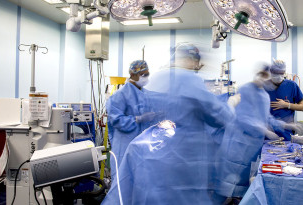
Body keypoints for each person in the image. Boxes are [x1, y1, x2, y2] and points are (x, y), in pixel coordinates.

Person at [102, 43, 237, 205]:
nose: (196, 67)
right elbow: (219, 116)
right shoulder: (188, 80)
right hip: (179, 165)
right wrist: (231, 103)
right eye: (196, 62)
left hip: (150, 161)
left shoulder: (156, 79)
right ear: (190, 59)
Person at [214, 67, 287, 203]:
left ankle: (236, 200)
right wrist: (263, 130)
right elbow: (242, 117)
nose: (264, 79)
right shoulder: (244, 89)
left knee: (242, 181)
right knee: (228, 180)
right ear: (257, 74)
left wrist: (284, 125)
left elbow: (267, 117)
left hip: (252, 145)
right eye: (262, 75)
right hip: (238, 142)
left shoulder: (264, 95)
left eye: (267, 77)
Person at [106, 60, 157, 181]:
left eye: (147, 74)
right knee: (124, 182)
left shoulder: (145, 94)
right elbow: (116, 120)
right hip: (124, 147)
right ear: (133, 74)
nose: (146, 77)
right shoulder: (119, 95)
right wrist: (138, 119)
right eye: (143, 74)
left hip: (142, 147)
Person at [264, 59, 303, 140]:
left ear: (284, 72)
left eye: (281, 73)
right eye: (276, 73)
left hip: (286, 132)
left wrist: (287, 105)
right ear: (271, 72)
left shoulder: (291, 85)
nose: (278, 75)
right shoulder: (264, 86)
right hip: (268, 132)